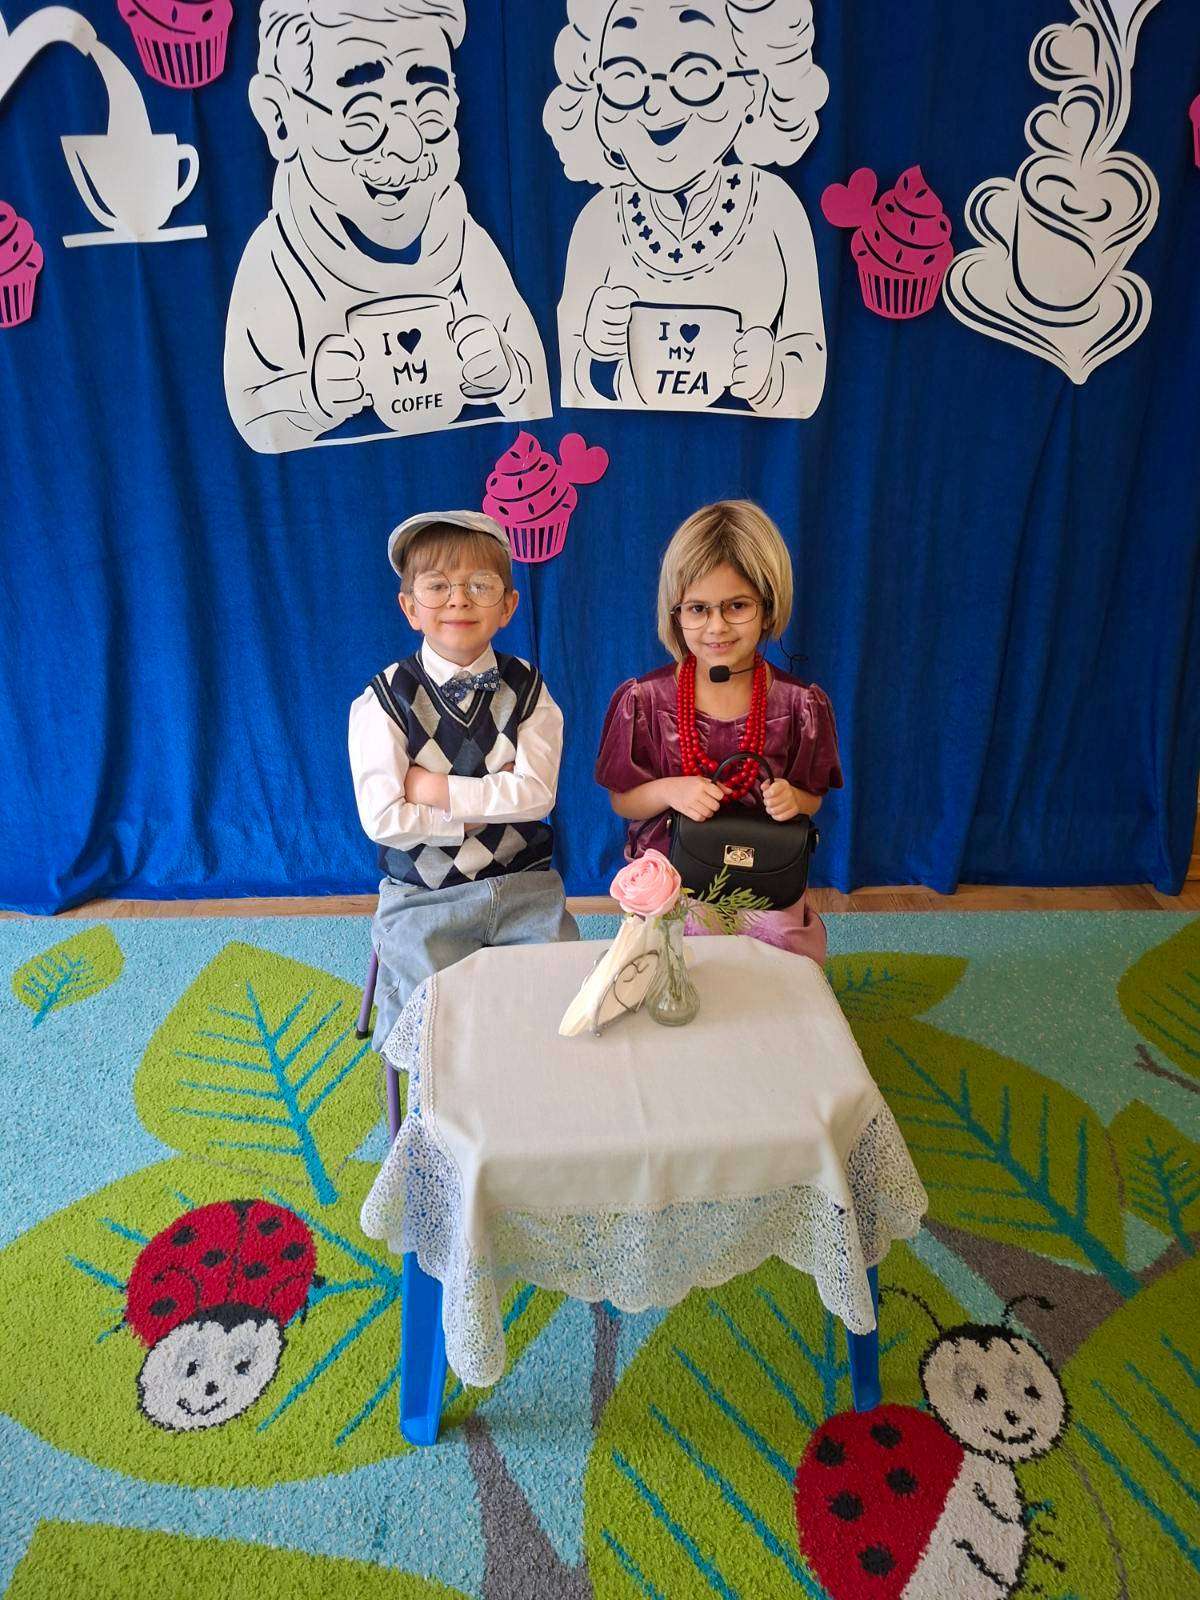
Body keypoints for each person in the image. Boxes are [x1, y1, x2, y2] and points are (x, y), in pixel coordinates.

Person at [225, 0, 549, 452]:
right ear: (280, 117)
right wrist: (311, 395)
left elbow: (533, 383)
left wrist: (504, 371)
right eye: (362, 114)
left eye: (430, 108)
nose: (407, 144)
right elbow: (253, 413)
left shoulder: (461, 242)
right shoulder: (278, 260)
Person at [350, 510, 577, 1048]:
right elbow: (384, 820)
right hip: (423, 895)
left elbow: (537, 796)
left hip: (524, 886)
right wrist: (480, 812)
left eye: (480, 585)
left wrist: (437, 791)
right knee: (434, 1026)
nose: (458, 600)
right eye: (437, 586)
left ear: (508, 606)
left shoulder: (529, 689)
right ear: (410, 608)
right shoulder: (383, 700)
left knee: (563, 1007)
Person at [543, 0, 828, 416]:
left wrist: (772, 378)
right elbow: (569, 376)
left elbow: (808, 351)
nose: (655, 105)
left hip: (748, 452)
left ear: (753, 87)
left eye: (695, 74)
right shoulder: (597, 221)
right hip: (625, 452)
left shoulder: (776, 208)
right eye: (625, 77)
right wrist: (595, 349)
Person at [595, 499, 841, 961]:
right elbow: (622, 800)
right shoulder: (645, 701)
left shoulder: (800, 704)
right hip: (672, 877)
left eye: (737, 606)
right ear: (676, 613)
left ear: (768, 607)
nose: (717, 627)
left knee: (780, 953)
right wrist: (670, 790)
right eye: (698, 609)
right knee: (676, 955)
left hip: (765, 875)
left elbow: (813, 797)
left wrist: (793, 798)